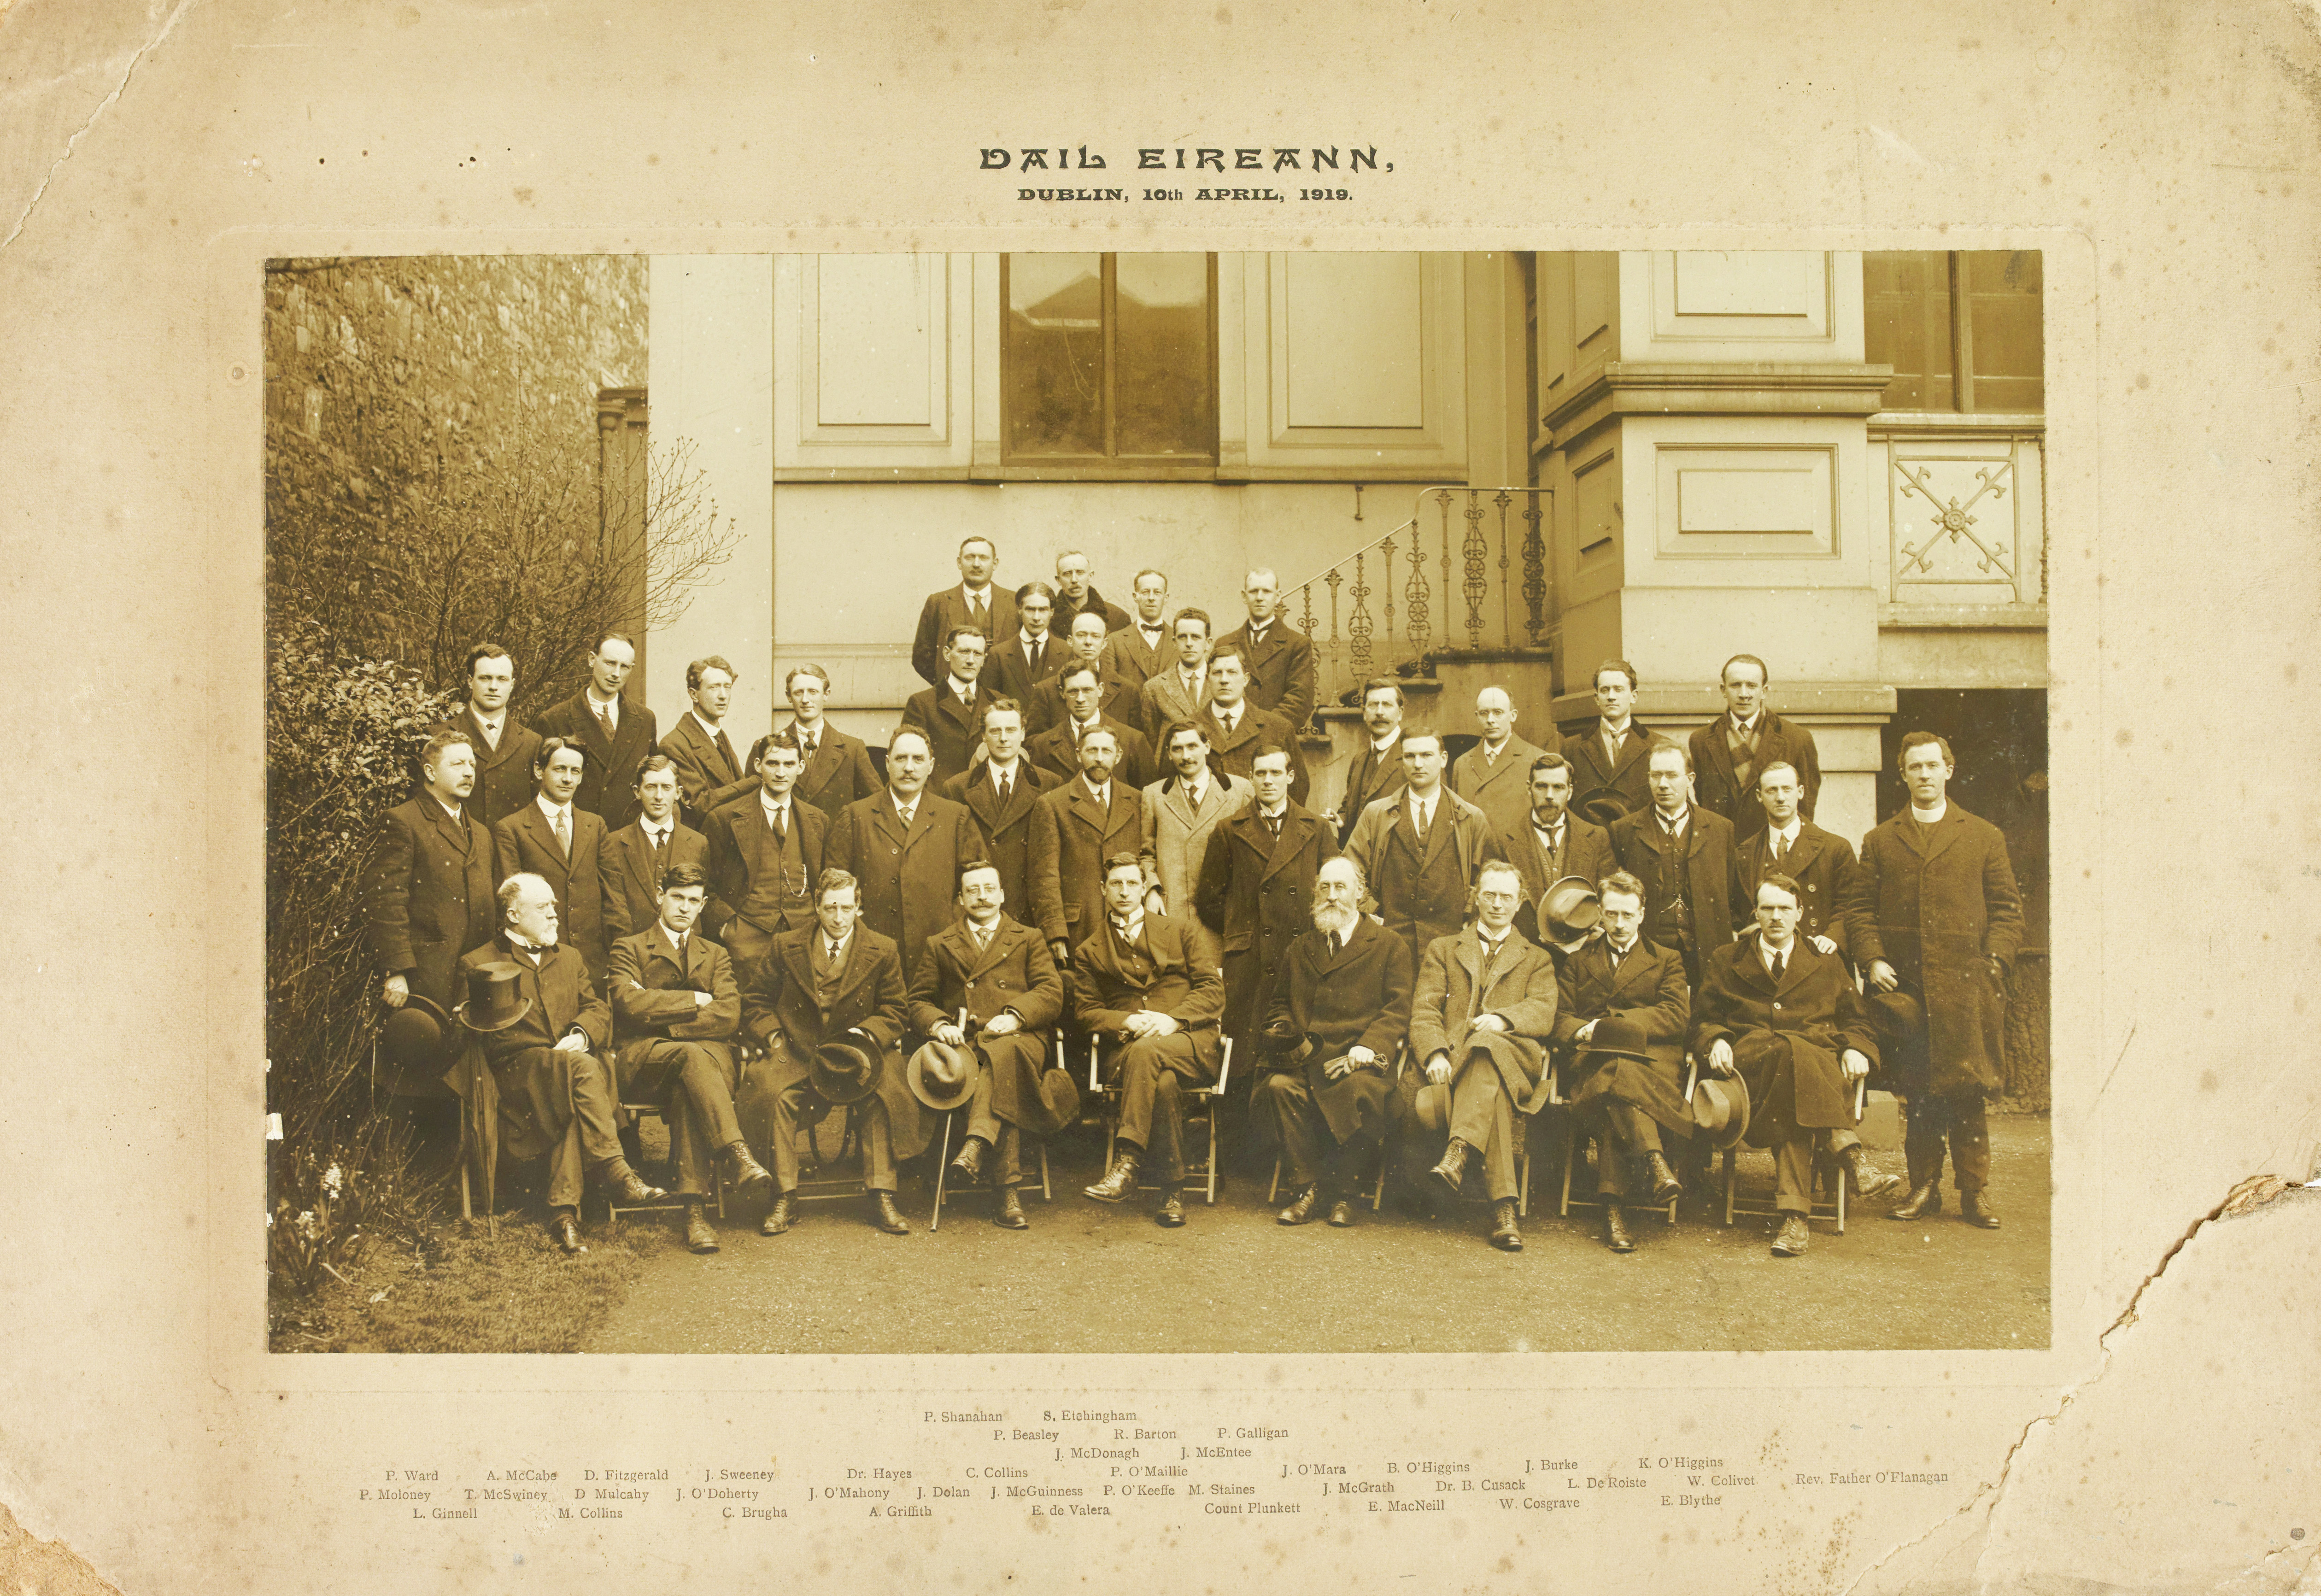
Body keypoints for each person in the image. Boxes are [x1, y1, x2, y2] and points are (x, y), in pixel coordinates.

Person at [1844, 731, 2025, 1229]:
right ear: (1902, 774)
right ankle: (1923, 1187)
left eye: (1932, 765)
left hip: (1967, 991)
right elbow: (1859, 911)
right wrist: (1873, 960)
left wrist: (1993, 963)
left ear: (1949, 769)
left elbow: (2008, 911)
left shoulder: (1983, 836)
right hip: (1907, 992)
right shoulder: (1881, 840)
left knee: (1968, 1094)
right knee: (1919, 1093)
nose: (1924, 774)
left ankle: (1974, 1192)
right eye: (1914, 767)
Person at [1692, 874, 1904, 1257]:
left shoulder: (1826, 960)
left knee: (1792, 1079)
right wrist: (1717, 1039)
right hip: (1752, 1076)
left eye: (1785, 908)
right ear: (1756, 913)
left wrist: (1856, 1048)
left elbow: (1857, 1021)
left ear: (1800, 913)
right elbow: (1702, 1019)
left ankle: (1795, 1218)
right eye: (1768, 908)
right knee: (1790, 1053)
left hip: (1803, 1086)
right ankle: (1849, 1152)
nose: (1776, 916)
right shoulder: (1727, 958)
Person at [457, 873, 663, 1253]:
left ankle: (564, 1217)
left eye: (554, 905)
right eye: (543, 907)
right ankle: (617, 1171)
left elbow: (597, 1008)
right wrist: (556, 1055)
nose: (555, 914)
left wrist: (582, 1034)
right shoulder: (480, 962)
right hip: (518, 1077)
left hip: (567, 1078)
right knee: (585, 1070)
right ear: (514, 915)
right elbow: (481, 1037)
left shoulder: (569, 957)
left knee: (577, 1086)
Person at [740, 869, 926, 1236]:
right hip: (799, 1052)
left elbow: (896, 1010)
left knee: (884, 1093)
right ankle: (784, 1196)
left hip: (858, 1054)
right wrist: (775, 1037)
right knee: (772, 1094)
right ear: (817, 907)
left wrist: (867, 1034)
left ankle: (882, 1194)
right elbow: (756, 1000)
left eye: (846, 908)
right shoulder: (786, 945)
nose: (839, 918)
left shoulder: (883, 948)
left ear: (859, 907)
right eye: (830, 908)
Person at [607, 862, 774, 1254]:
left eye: (693, 901)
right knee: (692, 1056)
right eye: (677, 897)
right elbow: (628, 1004)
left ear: (703, 905)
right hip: (645, 1062)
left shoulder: (716, 954)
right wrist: (695, 1001)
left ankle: (694, 1213)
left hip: (703, 1065)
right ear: (660, 896)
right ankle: (736, 1154)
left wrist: (660, 1014)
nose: (684, 907)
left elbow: (729, 1014)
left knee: (689, 1086)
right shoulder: (629, 947)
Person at [1403, 859, 1560, 1252]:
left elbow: (1543, 1010)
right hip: (1454, 1063)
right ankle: (1504, 1210)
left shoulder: (1537, 957)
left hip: (1514, 1059)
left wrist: (1503, 1020)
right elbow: (1425, 1009)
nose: (1497, 904)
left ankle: (1459, 1149)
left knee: (1487, 1045)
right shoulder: (1444, 949)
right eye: (1489, 895)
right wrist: (1435, 1054)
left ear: (1520, 903)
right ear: (1476, 898)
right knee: (1490, 1082)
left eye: (1506, 897)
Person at [908, 861, 1073, 1230]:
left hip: (1022, 1039)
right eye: (973, 891)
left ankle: (977, 1146)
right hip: (967, 1044)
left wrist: (1015, 1016)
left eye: (988, 889)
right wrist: (940, 1025)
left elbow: (1051, 991)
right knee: (997, 1072)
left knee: (1004, 1054)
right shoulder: (940, 944)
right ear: (961, 899)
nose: (981, 897)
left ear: (1002, 894)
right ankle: (1006, 1191)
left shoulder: (1029, 937)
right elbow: (918, 1001)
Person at [1254, 856, 1413, 1229]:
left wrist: (1369, 1046)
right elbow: (1280, 1005)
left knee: (1354, 1090)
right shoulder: (1300, 947)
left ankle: (1345, 1192)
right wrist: (1286, 1034)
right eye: (1324, 888)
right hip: (1308, 1058)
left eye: (1341, 887)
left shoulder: (1389, 945)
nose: (1331, 895)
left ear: (1360, 893)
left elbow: (1398, 1008)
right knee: (1279, 1086)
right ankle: (1307, 1190)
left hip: (1360, 1058)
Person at [1074, 856, 1226, 1227]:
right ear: (1103, 890)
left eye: (1132, 883)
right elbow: (1086, 1012)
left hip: (1188, 1041)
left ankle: (1128, 1161)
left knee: (1150, 1055)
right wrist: (1125, 1021)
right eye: (1116, 884)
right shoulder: (1089, 949)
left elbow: (1213, 989)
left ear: (1145, 888)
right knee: (1163, 1083)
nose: (1124, 892)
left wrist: (1173, 1020)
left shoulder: (1181, 930)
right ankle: (1172, 1193)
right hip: (1128, 1051)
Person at [1551, 870, 1694, 1254]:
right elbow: (1560, 1018)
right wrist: (1584, 1031)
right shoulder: (1579, 961)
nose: (1619, 924)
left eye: (1628, 915)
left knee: (1617, 1086)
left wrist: (1613, 1026)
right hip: (1593, 1064)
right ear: (1600, 913)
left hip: (1651, 1067)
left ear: (1642, 914)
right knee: (1615, 1076)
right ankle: (1654, 1159)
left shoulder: (1667, 960)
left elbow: (1676, 1016)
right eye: (1612, 914)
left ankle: (1613, 1211)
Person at [366, 729, 498, 1096]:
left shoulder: (481, 833)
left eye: (472, 765)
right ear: (429, 772)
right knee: (420, 1085)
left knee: (468, 1085)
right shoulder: (403, 821)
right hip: (426, 979)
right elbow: (386, 901)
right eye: (457, 764)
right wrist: (396, 970)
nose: (468, 772)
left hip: (472, 978)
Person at [1195, 745, 1330, 1057]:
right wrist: (1244, 926)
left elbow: (1330, 891)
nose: (1268, 780)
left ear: (1290, 777)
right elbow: (1209, 900)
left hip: (1300, 948)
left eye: (1276, 773)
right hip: (1249, 957)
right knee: (1246, 1049)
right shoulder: (1229, 829)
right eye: (1261, 773)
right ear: (1251, 778)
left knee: (1296, 1043)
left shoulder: (1317, 827)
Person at [824, 725, 979, 980]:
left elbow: (976, 884)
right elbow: (834, 886)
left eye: (918, 759)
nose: (909, 768)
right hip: (871, 950)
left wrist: (950, 926)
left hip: (939, 950)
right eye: (900, 758)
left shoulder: (955, 816)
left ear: (931, 766)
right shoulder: (855, 815)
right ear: (887, 763)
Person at [1342, 730, 1500, 970]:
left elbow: (1492, 880)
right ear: (1402, 760)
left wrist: (1469, 916)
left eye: (1426, 755)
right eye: (1410, 756)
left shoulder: (1470, 818)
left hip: (1452, 942)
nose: (1418, 764)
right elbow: (1348, 873)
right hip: (1390, 943)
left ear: (1443, 759)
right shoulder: (1376, 814)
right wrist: (1371, 913)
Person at [1609, 738, 1740, 988]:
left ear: (1690, 779)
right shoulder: (1624, 830)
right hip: (1649, 950)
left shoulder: (1721, 829)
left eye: (1671, 775)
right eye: (1656, 775)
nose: (1663, 784)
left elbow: (1733, 895)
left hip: (1705, 949)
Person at [703, 731, 826, 985]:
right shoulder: (724, 818)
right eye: (773, 763)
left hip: (803, 937)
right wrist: (729, 928)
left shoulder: (818, 821)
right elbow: (705, 884)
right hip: (746, 941)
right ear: (759, 766)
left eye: (789, 764)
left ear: (801, 767)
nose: (781, 773)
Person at [491, 737, 611, 985]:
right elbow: (511, 905)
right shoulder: (511, 828)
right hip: (540, 959)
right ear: (539, 771)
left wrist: (618, 957)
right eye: (559, 769)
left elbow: (613, 895)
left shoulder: (595, 825)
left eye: (575, 771)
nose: (568, 779)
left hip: (592, 961)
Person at [1029, 725, 1144, 968]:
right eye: (1092, 750)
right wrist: (1054, 931)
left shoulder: (1136, 800)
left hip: (1129, 923)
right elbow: (1044, 876)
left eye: (1106, 751)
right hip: (1079, 927)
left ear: (1119, 756)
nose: (1099, 758)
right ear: (1078, 754)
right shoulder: (1053, 803)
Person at [941, 698, 1060, 925]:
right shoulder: (957, 788)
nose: (1004, 738)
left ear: (1023, 734)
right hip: (981, 908)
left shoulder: (1049, 783)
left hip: (1030, 909)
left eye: (1011, 730)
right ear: (983, 736)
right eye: (995, 731)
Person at [1688, 654, 1823, 844]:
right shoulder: (1701, 741)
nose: (1744, 694)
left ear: (1764, 691)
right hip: (1721, 847)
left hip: (1773, 849)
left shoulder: (1797, 739)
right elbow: (1704, 803)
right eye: (1736, 685)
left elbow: (1805, 810)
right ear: (1723, 690)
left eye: (1752, 685)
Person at [531, 631, 659, 831]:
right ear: (592, 659)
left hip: (630, 835)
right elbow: (540, 789)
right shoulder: (556, 719)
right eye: (610, 663)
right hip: (578, 833)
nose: (616, 674)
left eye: (624, 666)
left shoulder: (645, 719)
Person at [1138, 719, 1249, 942]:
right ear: (1169, 754)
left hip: (1222, 915)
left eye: (1192, 746)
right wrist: (1151, 889)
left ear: (1207, 747)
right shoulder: (1154, 795)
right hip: (1173, 911)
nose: (1186, 756)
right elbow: (1146, 854)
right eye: (1177, 749)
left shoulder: (1239, 790)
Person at [1733, 761, 1855, 961]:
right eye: (1772, 790)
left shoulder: (1836, 848)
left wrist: (1833, 937)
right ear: (1759, 796)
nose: (1780, 798)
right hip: (1763, 961)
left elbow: (1851, 905)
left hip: (1820, 956)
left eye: (1787, 789)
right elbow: (1735, 911)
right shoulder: (1744, 854)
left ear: (1800, 792)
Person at [1495, 753, 1616, 947]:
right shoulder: (1503, 840)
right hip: (1524, 951)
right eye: (1541, 786)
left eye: (1558, 787)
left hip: (1582, 951)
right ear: (1529, 789)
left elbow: (1610, 899)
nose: (1549, 796)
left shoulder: (1597, 837)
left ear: (1570, 791)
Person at [602, 754, 720, 946]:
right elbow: (614, 909)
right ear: (637, 792)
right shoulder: (614, 842)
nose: (659, 796)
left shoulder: (698, 843)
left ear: (678, 793)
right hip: (632, 949)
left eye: (666, 788)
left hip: (683, 949)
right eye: (651, 787)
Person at [444, 642, 543, 832]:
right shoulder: (441, 735)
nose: (493, 687)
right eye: (485, 678)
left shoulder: (532, 743)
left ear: (512, 684)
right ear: (470, 681)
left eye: (502, 679)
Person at [1200, 643, 1310, 806]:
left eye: (1232, 672)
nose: (1224, 680)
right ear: (1207, 679)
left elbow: (1298, 788)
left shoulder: (1278, 728)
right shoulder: (1191, 728)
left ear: (1246, 680)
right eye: (1217, 673)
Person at [658, 655, 756, 826]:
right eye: (714, 687)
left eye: (727, 687)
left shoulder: (718, 735)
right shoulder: (674, 745)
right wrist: (753, 782)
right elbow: (699, 804)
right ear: (694, 695)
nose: (723, 696)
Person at [1450, 686, 1558, 841]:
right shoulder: (1462, 764)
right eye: (1484, 713)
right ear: (1477, 717)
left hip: (1518, 852)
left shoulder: (1537, 759)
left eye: (1498, 712)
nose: (1490, 720)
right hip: (1476, 853)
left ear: (1513, 716)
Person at [781, 663, 884, 824]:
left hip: (835, 838)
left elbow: (877, 803)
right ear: (789, 697)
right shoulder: (768, 748)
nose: (805, 700)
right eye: (798, 692)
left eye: (813, 692)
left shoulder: (852, 749)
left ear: (826, 694)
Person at [1027, 662, 1154, 791]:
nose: (1080, 699)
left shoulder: (1132, 740)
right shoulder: (1043, 745)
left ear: (1100, 690)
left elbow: (1147, 795)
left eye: (1087, 690)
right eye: (1073, 692)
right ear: (1062, 693)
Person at [1216, 567, 1316, 729]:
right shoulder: (1225, 643)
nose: (1259, 598)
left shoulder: (1297, 644)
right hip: (1230, 733)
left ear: (1278, 597)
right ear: (1244, 597)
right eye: (1254, 592)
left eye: (1267, 592)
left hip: (1273, 736)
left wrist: (1263, 731)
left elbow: (1299, 702)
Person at [911, 535, 1013, 689]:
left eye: (983, 558)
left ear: (995, 564)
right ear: (959, 562)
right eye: (970, 558)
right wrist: (948, 686)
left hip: (1003, 696)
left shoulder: (1014, 602)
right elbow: (922, 656)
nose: (976, 564)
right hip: (953, 695)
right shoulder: (939, 602)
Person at [901, 626, 998, 787]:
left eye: (977, 654)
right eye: (964, 652)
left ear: (984, 659)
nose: (971, 660)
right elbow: (911, 759)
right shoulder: (922, 703)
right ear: (947, 654)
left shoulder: (997, 702)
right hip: (941, 797)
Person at [1028, 610, 1146, 737]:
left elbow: (1134, 742)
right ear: (1070, 641)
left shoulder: (1128, 691)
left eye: (1095, 636)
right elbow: (1034, 742)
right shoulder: (1046, 691)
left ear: (1104, 643)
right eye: (1081, 635)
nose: (1088, 642)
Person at [1564, 658, 1653, 822]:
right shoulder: (1572, 747)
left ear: (1634, 696)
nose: (1611, 697)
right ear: (1597, 698)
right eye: (1605, 690)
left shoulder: (1656, 745)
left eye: (1619, 690)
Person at [1325, 676, 1407, 850]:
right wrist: (1341, 820)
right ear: (1364, 713)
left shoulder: (1412, 757)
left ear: (1400, 713)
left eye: (1387, 705)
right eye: (1373, 705)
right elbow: (1350, 807)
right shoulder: (1359, 759)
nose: (1379, 712)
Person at [984, 581, 1064, 713]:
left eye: (1043, 610)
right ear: (1020, 610)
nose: (1036, 618)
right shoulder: (999, 654)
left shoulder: (1067, 652)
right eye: (1030, 609)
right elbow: (988, 701)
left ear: (1052, 612)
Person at [1138, 608, 1213, 733]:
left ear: (1208, 643)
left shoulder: (1223, 682)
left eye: (1196, 637)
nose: (1189, 643)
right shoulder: (1154, 688)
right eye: (1183, 637)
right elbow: (1151, 739)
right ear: (1174, 642)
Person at [1103, 569, 1175, 694]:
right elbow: (1109, 688)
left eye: (1157, 592)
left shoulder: (1180, 639)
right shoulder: (1114, 641)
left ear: (1166, 598)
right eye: (1146, 592)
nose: (1151, 598)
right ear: (1135, 597)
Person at [1051, 548, 1132, 638]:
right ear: (1058, 580)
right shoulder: (1047, 618)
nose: (1074, 580)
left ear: (1090, 576)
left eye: (1080, 572)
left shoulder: (1118, 617)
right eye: (1067, 573)